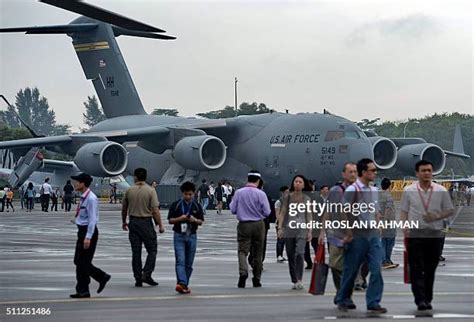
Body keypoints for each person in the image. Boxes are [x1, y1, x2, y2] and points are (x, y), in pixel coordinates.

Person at [400, 160, 454, 311]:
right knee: (416, 268)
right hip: (415, 234)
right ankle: (420, 300)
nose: (427, 173)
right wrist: (404, 227)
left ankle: (427, 297)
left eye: (429, 170)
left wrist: (436, 216)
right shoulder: (408, 191)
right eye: (423, 171)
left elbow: (449, 210)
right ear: (417, 173)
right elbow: (404, 211)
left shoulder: (441, 190)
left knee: (430, 269)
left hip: (434, 234)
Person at [336, 158, 387, 314]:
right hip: (357, 234)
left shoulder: (373, 190)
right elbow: (343, 211)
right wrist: (348, 232)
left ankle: (373, 302)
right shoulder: (352, 190)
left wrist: (378, 227)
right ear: (363, 172)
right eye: (372, 170)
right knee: (350, 270)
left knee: (376, 268)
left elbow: (376, 211)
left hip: (372, 235)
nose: (375, 173)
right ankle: (343, 298)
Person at [319, 162, 357, 307]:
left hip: (355, 235)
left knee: (352, 268)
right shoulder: (335, 191)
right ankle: (341, 291)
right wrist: (322, 231)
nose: (353, 174)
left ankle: (346, 296)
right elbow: (327, 212)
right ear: (343, 174)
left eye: (355, 172)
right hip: (336, 235)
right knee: (335, 266)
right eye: (350, 172)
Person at [122, 168, 165, 287]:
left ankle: (137, 278)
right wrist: (159, 224)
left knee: (136, 252)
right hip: (146, 222)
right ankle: (146, 273)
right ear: (145, 177)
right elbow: (155, 210)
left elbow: (124, 208)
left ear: (135, 177)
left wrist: (124, 222)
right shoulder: (151, 191)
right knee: (152, 250)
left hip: (133, 222)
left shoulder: (129, 190)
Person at [70, 173, 111, 298]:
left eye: (77, 181)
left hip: (88, 232)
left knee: (82, 261)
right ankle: (83, 289)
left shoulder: (91, 198)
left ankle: (101, 277)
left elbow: (93, 219)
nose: (75, 184)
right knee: (79, 261)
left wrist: (88, 237)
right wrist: (76, 220)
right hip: (82, 230)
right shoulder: (84, 197)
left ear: (83, 183)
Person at [230, 170, 271, 288]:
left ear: (247, 179)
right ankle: (257, 278)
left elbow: (232, 209)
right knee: (258, 252)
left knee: (242, 251)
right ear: (258, 181)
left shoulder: (238, 193)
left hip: (244, 224)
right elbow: (267, 212)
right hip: (259, 224)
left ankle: (243, 272)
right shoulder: (261, 194)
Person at [168, 181, 204, 294]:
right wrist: (181, 218)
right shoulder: (176, 205)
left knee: (189, 263)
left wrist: (194, 220)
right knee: (180, 260)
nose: (188, 196)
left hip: (192, 235)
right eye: (185, 194)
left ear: (194, 194)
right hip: (179, 234)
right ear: (182, 194)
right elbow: (170, 220)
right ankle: (182, 282)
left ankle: (183, 284)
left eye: (190, 194)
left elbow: (201, 221)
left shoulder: (197, 206)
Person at [278, 175, 313, 290]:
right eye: (296, 181)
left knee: (300, 252)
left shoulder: (307, 199)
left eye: (300, 182)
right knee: (290, 254)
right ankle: (294, 278)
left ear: (303, 185)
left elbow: (309, 215)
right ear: (293, 184)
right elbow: (282, 213)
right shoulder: (287, 198)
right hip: (289, 229)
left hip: (302, 229)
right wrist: (280, 228)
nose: (298, 183)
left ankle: (299, 279)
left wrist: (310, 231)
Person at [379, 178, 398, 269]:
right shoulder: (389, 197)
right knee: (390, 242)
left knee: (383, 242)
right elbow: (388, 209)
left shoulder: (378, 195)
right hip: (389, 222)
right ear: (390, 186)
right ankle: (386, 260)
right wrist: (385, 221)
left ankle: (386, 260)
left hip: (380, 221)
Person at [275, 186, 289, 263]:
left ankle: (283, 255)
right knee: (280, 239)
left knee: (287, 240)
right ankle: (279, 255)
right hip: (281, 223)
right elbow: (277, 214)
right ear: (282, 193)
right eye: (286, 192)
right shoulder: (278, 202)